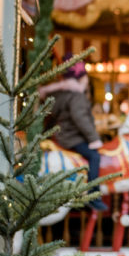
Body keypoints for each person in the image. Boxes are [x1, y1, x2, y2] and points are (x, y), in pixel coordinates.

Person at [41, 58, 106, 211]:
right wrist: (94, 138)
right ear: (81, 78)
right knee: (94, 156)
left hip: (64, 136)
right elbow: (81, 119)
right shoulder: (76, 96)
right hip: (73, 138)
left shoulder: (62, 94)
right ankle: (93, 194)